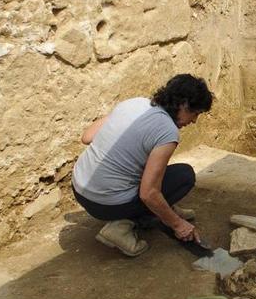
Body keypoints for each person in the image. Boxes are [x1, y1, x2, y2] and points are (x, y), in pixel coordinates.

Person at [71, 74, 213, 257]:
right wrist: (178, 224)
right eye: (195, 113)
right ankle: (121, 226)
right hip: (104, 203)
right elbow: (148, 193)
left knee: (155, 173)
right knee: (183, 176)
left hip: (78, 188)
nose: (194, 121)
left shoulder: (135, 103)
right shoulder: (167, 131)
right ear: (184, 105)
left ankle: (161, 208)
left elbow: (87, 136)